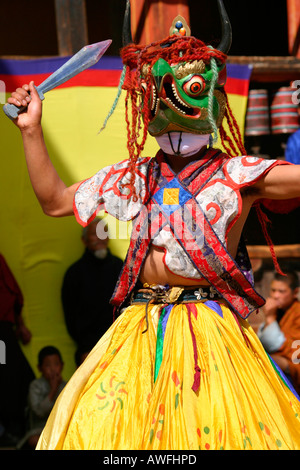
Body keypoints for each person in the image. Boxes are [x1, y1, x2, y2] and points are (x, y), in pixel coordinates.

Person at [6, 0, 300, 450]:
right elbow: (55, 202)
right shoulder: (134, 176)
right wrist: (30, 130)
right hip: (139, 328)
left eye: (190, 90)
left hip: (210, 330)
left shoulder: (239, 174)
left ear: (212, 98)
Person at [61, 217, 123, 363]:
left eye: (104, 233)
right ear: (84, 240)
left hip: (119, 344)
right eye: (95, 234)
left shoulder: (120, 267)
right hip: (88, 349)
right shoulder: (74, 273)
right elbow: (70, 316)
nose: (100, 238)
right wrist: (84, 347)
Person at [0, 253, 35, 447]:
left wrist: (20, 325)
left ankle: (15, 428)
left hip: (3, 329)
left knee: (12, 374)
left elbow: (11, 290)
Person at [257, 271, 300, 395]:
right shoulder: (280, 312)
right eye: (273, 290)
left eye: (281, 291)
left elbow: (294, 351)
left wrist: (270, 318)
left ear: (295, 292)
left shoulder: (297, 313)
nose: (276, 296)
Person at [17, 346, 66, 449]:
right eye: (48, 365)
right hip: (39, 429)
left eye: (56, 364)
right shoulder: (35, 386)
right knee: (36, 440)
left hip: (60, 428)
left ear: (62, 366)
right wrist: (53, 390)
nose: (53, 369)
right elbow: (39, 412)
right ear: (40, 368)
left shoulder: (66, 385)